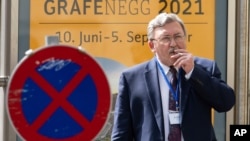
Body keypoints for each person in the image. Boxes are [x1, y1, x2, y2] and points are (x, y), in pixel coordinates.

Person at [111, 12, 235, 141]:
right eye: (166, 38)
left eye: (178, 36)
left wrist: (193, 72)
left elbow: (226, 103)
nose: (173, 44)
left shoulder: (205, 68)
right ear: (152, 45)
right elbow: (121, 132)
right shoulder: (131, 78)